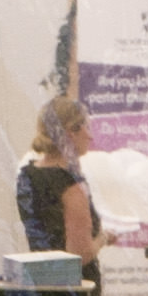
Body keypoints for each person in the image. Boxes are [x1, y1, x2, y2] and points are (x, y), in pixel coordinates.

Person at [14, 92, 109, 275]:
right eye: (86, 128)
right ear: (71, 132)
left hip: (40, 281)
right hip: (72, 289)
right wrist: (104, 237)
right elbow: (79, 255)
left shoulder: (28, 174)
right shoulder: (70, 186)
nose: (90, 137)